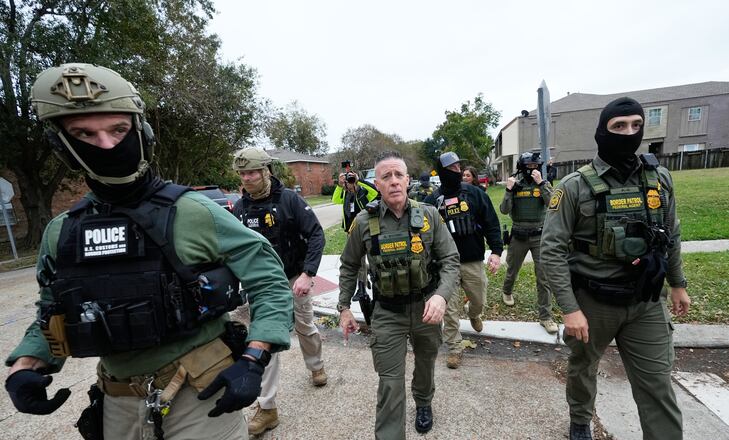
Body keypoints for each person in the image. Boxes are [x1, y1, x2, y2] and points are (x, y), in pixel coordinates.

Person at [4, 63, 293, 439]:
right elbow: (53, 310)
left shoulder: (195, 212)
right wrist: (28, 364)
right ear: (63, 145)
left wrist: (255, 357)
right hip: (118, 401)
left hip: (199, 392)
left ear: (141, 131)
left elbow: (269, 280)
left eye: (118, 129)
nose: (107, 145)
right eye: (84, 134)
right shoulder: (62, 232)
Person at [541, 97, 691, 440]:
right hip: (593, 303)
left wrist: (678, 283)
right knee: (583, 368)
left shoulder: (659, 179)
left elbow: (672, 233)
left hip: (646, 301)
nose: (629, 133)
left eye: (636, 125)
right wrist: (569, 308)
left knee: (657, 385)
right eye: (619, 126)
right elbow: (550, 250)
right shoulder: (574, 187)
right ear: (602, 131)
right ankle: (580, 418)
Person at [337, 151, 460, 439]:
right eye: (386, 176)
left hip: (426, 308)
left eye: (398, 175)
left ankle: (424, 402)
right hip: (387, 313)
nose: (393, 181)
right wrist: (344, 307)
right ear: (377, 184)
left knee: (426, 363)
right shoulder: (364, 223)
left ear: (408, 180)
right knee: (390, 382)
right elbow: (349, 264)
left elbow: (451, 260)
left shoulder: (428, 215)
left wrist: (441, 296)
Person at [231, 148, 327, 435]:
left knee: (305, 327)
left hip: (293, 277)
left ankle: (316, 366)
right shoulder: (239, 209)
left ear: (266, 172)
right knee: (265, 339)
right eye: (243, 173)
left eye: (252, 172)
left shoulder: (289, 200)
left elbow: (316, 235)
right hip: (262, 285)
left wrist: (307, 273)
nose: (247, 178)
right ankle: (268, 406)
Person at [424, 152, 503, 369]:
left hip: (472, 260)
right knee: (449, 309)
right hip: (445, 266)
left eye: (459, 166)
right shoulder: (432, 202)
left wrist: (496, 251)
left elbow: (491, 223)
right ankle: (454, 347)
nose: (457, 171)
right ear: (441, 172)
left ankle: (474, 314)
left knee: (479, 298)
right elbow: (422, 233)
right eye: (451, 168)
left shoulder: (475, 194)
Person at [499, 152, 558, 334]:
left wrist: (541, 184)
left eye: (535, 166)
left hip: (539, 236)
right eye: (529, 166)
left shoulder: (544, 184)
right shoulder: (515, 184)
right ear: (522, 167)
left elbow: (553, 204)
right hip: (518, 235)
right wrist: (509, 191)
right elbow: (504, 210)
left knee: (543, 276)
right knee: (512, 269)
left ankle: (545, 316)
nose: (532, 169)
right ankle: (507, 291)